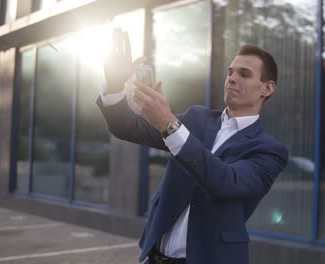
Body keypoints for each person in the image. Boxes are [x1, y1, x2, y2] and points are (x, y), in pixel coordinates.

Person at [96, 29, 289, 264]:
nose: (232, 78)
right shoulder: (195, 118)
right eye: (230, 72)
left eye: (244, 74)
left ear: (267, 88)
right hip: (155, 257)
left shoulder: (269, 150)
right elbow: (127, 126)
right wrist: (116, 86)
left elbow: (225, 183)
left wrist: (169, 125)